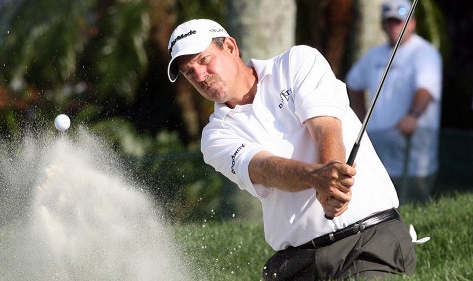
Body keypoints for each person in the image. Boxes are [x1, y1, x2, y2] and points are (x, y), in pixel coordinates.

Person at [166, 18, 417, 280]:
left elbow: (326, 128)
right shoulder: (214, 135)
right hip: (297, 263)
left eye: (204, 60)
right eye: (189, 72)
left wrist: (332, 186)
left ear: (230, 47)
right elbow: (263, 168)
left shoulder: (297, 62)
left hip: (367, 241)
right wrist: (318, 179)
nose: (200, 76)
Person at [346, 0, 442, 205]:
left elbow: (426, 89)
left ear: (412, 23)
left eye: (399, 21)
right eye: (389, 22)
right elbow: (353, 82)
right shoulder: (374, 55)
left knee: (415, 204)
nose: (394, 27)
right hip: (379, 143)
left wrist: (413, 115)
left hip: (412, 143)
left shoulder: (425, 53)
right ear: (382, 25)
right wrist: (361, 119)